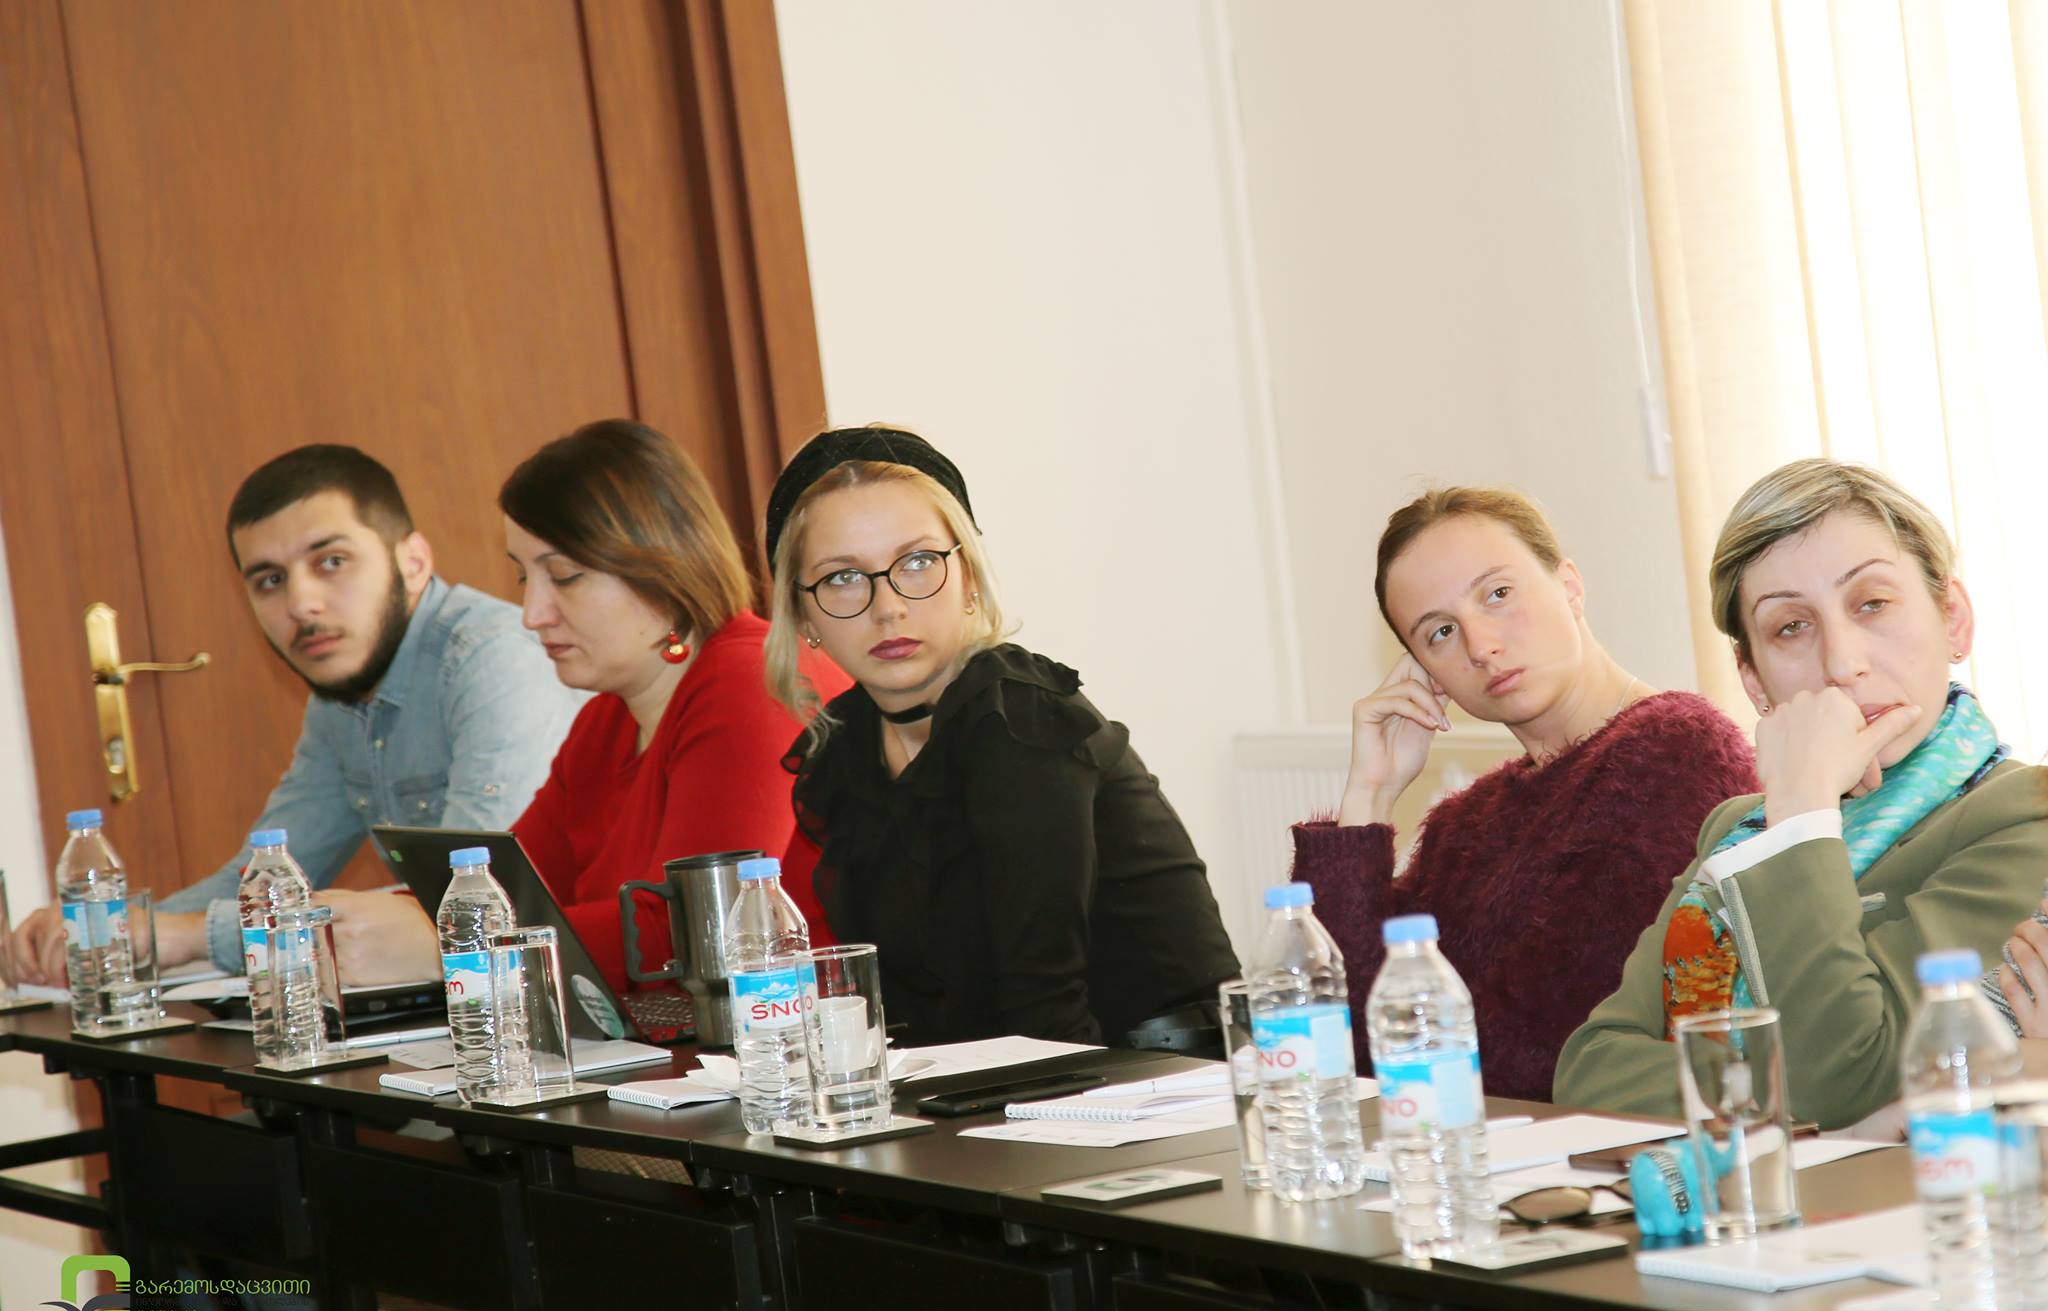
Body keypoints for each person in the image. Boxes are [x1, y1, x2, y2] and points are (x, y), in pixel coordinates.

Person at [1556, 460, 2048, 1129]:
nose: (1842, 663)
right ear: (1755, 682)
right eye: (1791, 626)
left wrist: (1802, 820)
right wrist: (1786, 1088)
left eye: (1872, 604)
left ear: (1953, 619)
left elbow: (1847, 1078)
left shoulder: (2023, 814)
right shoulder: (1739, 828)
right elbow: (1590, 1070)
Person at [9, 444, 578, 988]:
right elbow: (268, 874)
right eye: (270, 580)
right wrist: (106, 929)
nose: (302, 604)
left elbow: (476, 897)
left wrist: (184, 936)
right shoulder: (340, 690)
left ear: (413, 563)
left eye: (331, 562)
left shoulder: (494, 659)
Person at [314, 419, 848, 991]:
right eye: (524, 576)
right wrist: (363, 921)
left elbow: (695, 933)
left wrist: (451, 945)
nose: (532, 613)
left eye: (565, 576)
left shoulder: (752, 680)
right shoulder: (605, 721)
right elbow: (506, 888)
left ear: (663, 569)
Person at [762, 425, 1239, 1051]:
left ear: (970, 578)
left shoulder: (1017, 716)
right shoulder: (845, 747)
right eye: (843, 577)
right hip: (995, 1072)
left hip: (1156, 1072)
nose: (887, 606)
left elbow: (1046, 1012)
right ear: (803, 613)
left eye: (918, 563)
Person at [1288, 487, 1756, 1101]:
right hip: (1460, 1137)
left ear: (1570, 587)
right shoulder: (1465, 824)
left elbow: (1542, 1053)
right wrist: (1368, 798)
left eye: (1498, 594)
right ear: (1426, 673)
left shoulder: (1676, 753)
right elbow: (1330, 1031)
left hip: (1613, 1145)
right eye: (1440, 632)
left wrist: (1400, 1049)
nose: (1480, 645)